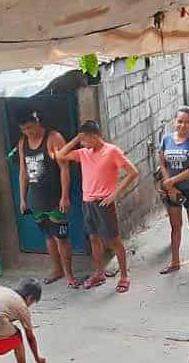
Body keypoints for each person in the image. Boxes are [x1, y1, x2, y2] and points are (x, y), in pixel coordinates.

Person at [56, 120, 141, 293]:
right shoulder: (83, 152)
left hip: (104, 203)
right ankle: (99, 272)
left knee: (113, 240)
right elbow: (61, 156)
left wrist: (114, 194)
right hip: (87, 202)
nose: (83, 144)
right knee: (93, 238)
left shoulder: (112, 151)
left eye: (85, 139)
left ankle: (124, 276)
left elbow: (133, 172)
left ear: (95, 137)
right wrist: (76, 139)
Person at [16, 108, 78, 287]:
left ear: (37, 122)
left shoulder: (53, 138)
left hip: (55, 197)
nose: (28, 132)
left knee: (61, 237)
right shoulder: (23, 143)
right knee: (49, 237)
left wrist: (65, 196)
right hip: (36, 198)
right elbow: (23, 171)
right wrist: (23, 198)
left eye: (29, 127)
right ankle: (56, 270)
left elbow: (64, 169)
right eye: (24, 130)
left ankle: (69, 274)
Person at [157, 107, 189, 275]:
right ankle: (175, 261)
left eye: (186, 122)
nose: (183, 125)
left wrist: (173, 181)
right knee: (175, 226)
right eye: (180, 121)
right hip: (172, 191)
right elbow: (163, 164)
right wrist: (168, 183)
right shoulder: (166, 139)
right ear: (174, 121)